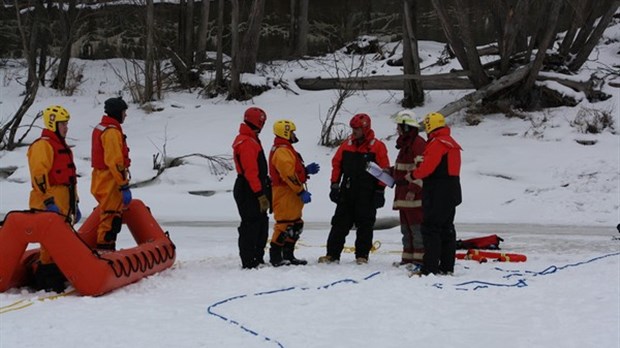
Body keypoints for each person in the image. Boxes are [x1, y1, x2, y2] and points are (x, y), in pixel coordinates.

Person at [319, 113, 390, 265]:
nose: (354, 131)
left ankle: (362, 255)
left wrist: (380, 191)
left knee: (365, 225)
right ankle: (332, 254)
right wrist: (334, 184)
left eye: (357, 129)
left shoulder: (377, 146)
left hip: (367, 193)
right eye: (353, 128)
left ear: (365, 128)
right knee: (339, 223)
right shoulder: (347, 144)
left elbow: (384, 171)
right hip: (348, 191)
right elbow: (337, 164)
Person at [27, 105, 80, 292]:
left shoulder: (63, 147)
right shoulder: (43, 146)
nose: (66, 127)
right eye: (63, 124)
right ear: (53, 124)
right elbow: (39, 176)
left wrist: (75, 204)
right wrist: (49, 201)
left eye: (66, 123)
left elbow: (70, 179)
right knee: (49, 245)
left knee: (62, 241)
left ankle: (56, 275)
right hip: (48, 201)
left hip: (63, 201)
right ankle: (47, 280)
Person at [410, 112, 462, 276]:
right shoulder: (452, 143)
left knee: (431, 229)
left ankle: (429, 268)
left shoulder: (437, 144)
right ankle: (447, 266)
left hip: (437, 191)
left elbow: (427, 168)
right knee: (447, 228)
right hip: (452, 190)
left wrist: (413, 175)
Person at [268, 119, 319, 267]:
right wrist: (300, 191)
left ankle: (288, 255)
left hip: (290, 192)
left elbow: (293, 171)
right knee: (284, 224)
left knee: (296, 224)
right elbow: (288, 175)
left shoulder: (285, 148)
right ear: (285, 132)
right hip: (285, 192)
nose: (294, 135)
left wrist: (305, 171)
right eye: (291, 132)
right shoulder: (282, 150)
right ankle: (276, 256)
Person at [232, 107, 271, 269]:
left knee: (261, 223)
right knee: (251, 224)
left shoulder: (251, 138)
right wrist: (260, 194)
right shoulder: (247, 142)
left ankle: (257, 257)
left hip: (254, 186)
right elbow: (251, 172)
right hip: (249, 189)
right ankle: (249, 261)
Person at [91, 97, 132, 251]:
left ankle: (104, 249)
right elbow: (115, 162)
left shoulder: (101, 127)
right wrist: (123, 185)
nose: (125, 115)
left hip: (100, 177)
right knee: (110, 218)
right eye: (124, 112)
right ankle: (105, 251)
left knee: (109, 216)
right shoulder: (111, 132)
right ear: (117, 113)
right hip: (109, 179)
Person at [390, 110, 426, 268]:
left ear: (405, 127)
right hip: (403, 195)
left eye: (398, 126)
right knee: (406, 230)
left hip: (412, 196)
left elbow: (422, 170)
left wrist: (413, 189)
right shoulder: (406, 145)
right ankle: (408, 259)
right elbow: (404, 169)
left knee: (416, 229)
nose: (397, 129)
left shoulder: (418, 144)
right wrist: (389, 171)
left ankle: (419, 259)